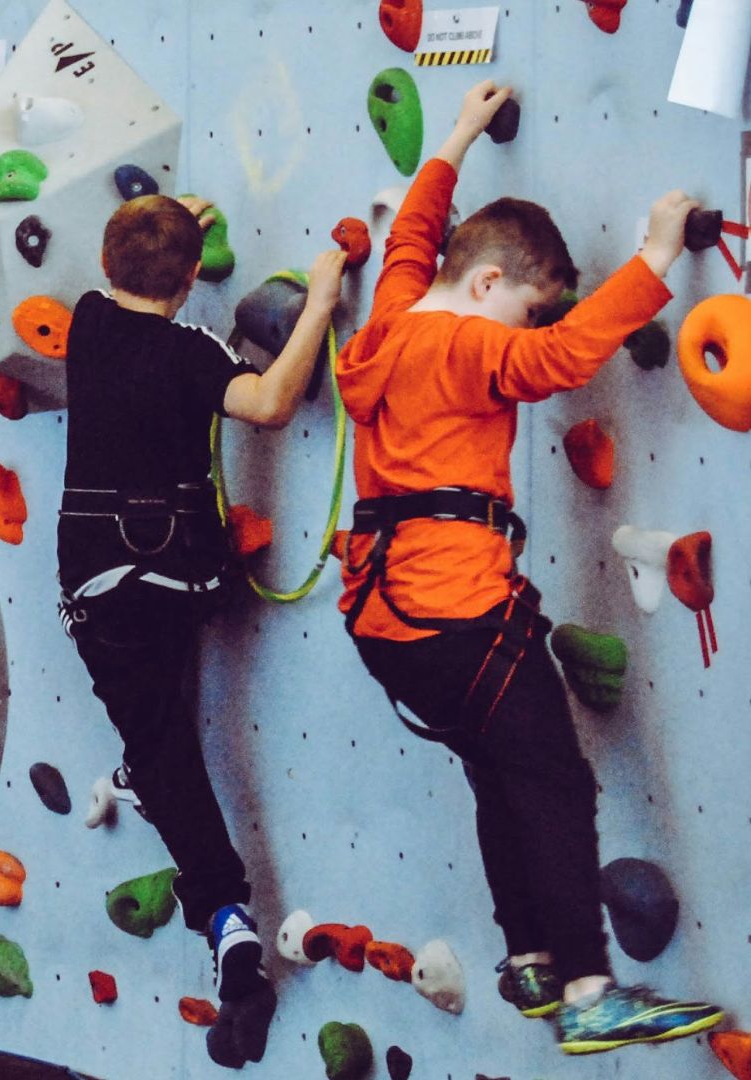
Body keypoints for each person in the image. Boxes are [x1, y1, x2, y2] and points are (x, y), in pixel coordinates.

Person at [335, 78, 720, 1055]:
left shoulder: (386, 325)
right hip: (460, 613)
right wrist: (657, 256)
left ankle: (529, 960)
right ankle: (591, 990)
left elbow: (410, 240)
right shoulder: (468, 345)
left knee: (498, 778)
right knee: (551, 785)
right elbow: (561, 358)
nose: (527, 326)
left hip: (386, 623)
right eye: (527, 307)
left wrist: (458, 133)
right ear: (491, 286)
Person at [57, 193, 345, 1068]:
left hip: (103, 580)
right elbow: (265, 402)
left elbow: (135, 270)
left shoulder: (87, 321)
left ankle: (227, 929)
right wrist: (324, 304)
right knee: (161, 739)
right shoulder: (192, 351)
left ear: (108, 269)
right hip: (185, 578)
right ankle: (211, 891)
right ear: (191, 280)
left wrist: (163, 222)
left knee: (158, 740)